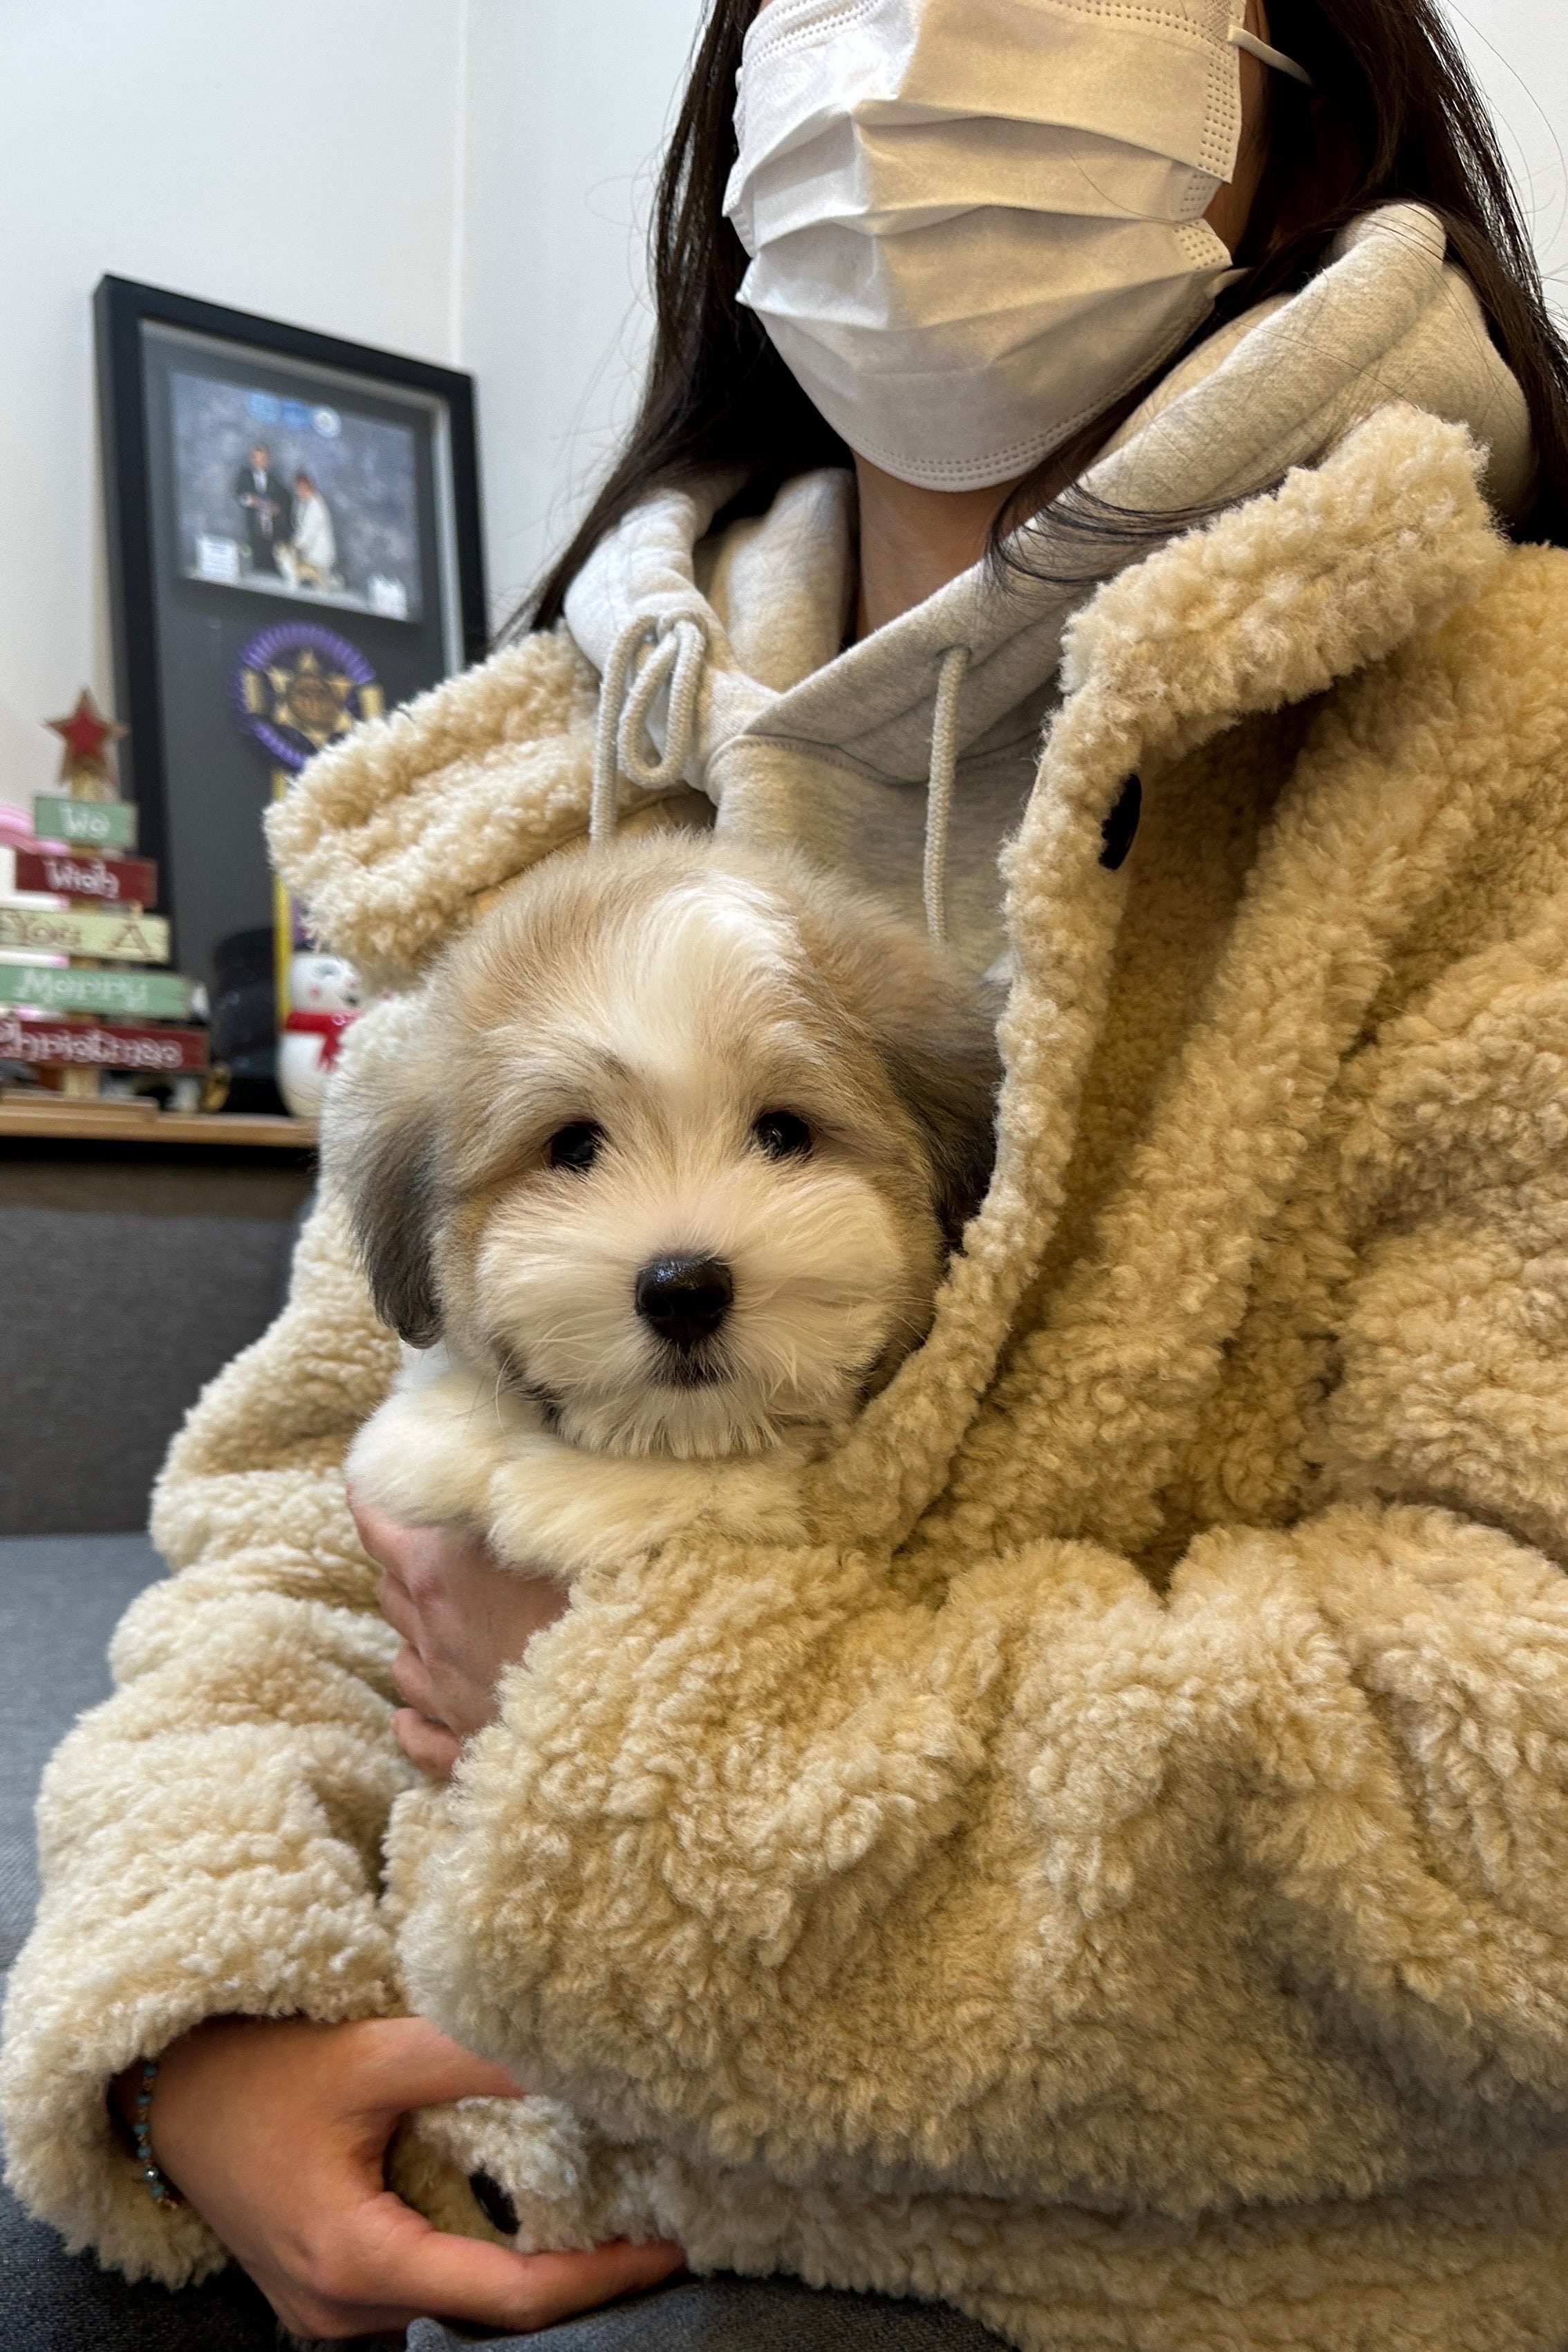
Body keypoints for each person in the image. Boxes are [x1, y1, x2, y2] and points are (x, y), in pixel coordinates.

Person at [7, 1, 1568, 2346]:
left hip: (1170, 2255)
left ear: (1289, 101)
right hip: (480, 2125)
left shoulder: (1506, 754)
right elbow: (305, 1510)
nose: (916, 46)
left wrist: (646, 1728)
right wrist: (202, 2017)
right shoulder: (535, 773)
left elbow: (1509, 1781)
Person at [234, 440, 288, 575]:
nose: (259, 462)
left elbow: (285, 502)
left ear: (268, 460)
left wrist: (278, 509)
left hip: (272, 533)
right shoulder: (245, 476)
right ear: (251, 459)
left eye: (263, 459)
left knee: (272, 569)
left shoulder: (274, 480)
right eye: (256, 458)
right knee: (254, 568)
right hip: (254, 530)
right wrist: (252, 500)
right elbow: (240, 495)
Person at [286, 468, 339, 591]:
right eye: (296, 488)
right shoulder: (303, 503)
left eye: (298, 488)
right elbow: (299, 527)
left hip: (319, 556)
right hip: (309, 553)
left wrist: (294, 545)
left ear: (306, 487)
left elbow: (308, 532)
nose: (296, 491)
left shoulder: (316, 506)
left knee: (319, 590)